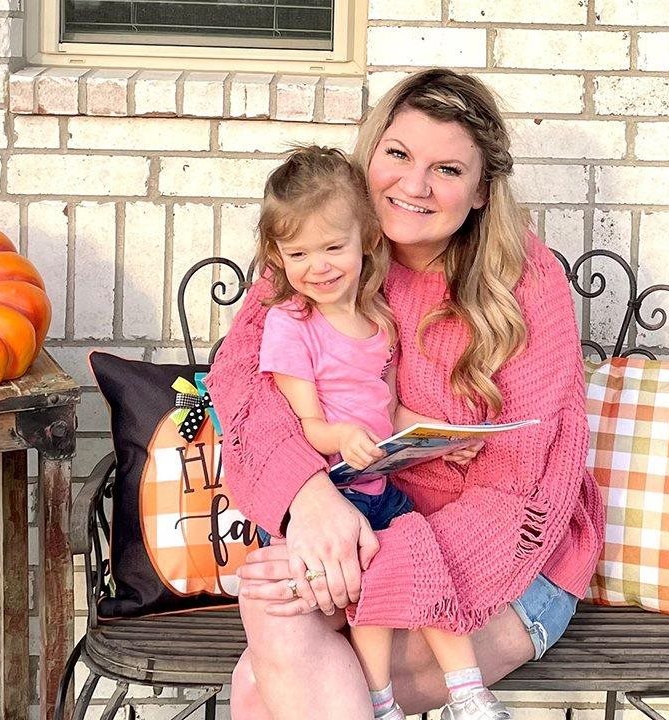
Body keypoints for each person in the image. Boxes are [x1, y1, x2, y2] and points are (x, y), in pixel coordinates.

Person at [206, 68, 606, 720]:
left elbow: (524, 486)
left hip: (498, 571)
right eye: (397, 155)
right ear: (372, 156)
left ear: (481, 191)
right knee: (273, 612)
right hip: (356, 534)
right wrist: (310, 503)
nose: (413, 186)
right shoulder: (327, 251)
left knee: (260, 684)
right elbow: (244, 382)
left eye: (447, 170)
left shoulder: (527, 283)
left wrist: (375, 556)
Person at [248, 145, 500, 719]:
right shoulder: (292, 325)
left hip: (375, 487)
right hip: (333, 491)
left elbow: (387, 409)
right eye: (298, 254)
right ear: (278, 256)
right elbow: (303, 425)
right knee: (376, 591)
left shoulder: (377, 317)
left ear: (365, 239)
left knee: (420, 561)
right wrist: (342, 438)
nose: (319, 266)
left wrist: (445, 438)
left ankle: (468, 693)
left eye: (334, 247)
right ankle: (381, 700)